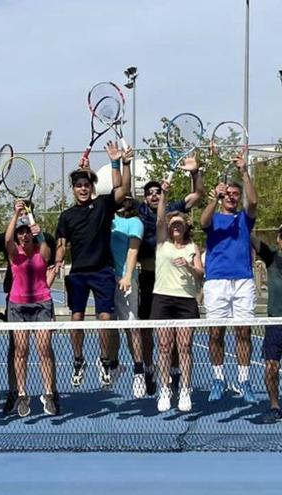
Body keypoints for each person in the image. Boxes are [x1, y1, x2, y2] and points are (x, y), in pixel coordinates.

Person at [55, 142, 131, 389]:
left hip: (102, 272)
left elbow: (122, 188)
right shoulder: (66, 216)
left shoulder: (103, 206)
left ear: (92, 188)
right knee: (76, 319)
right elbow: (61, 244)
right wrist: (56, 262)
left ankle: (105, 361)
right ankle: (79, 360)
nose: (83, 188)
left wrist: (118, 162)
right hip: (78, 274)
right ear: (73, 189)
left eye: (87, 185)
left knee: (105, 319)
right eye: (79, 185)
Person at [131, 157, 203, 395]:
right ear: (145, 197)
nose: (153, 195)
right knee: (148, 329)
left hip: (176, 283)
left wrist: (195, 173)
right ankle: (147, 370)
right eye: (149, 192)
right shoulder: (139, 212)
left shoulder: (174, 210)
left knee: (177, 335)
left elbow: (197, 195)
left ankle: (173, 372)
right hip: (150, 278)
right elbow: (118, 196)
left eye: (157, 192)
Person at [200, 155, 258, 403]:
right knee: (215, 333)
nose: (232, 196)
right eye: (229, 193)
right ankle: (218, 379)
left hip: (243, 281)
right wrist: (215, 198)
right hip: (216, 282)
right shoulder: (214, 217)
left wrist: (244, 172)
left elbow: (253, 201)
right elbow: (202, 221)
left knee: (243, 332)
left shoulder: (245, 218)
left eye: (236, 193)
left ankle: (244, 381)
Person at [4, 200, 58, 416]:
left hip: (41, 303)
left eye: (27, 233)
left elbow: (45, 244)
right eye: (21, 233)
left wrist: (32, 219)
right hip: (17, 305)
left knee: (44, 350)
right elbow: (7, 238)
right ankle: (23, 394)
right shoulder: (13, 253)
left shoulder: (41, 252)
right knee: (21, 351)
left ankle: (48, 393)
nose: (24, 236)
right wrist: (16, 214)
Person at [152, 181, 203, 412]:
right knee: (164, 346)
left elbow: (201, 273)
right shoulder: (162, 243)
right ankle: (164, 389)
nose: (175, 227)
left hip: (186, 299)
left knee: (185, 346)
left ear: (185, 227)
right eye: (172, 224)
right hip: (162, 298)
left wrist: (190, 266)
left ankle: (185, 390)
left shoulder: (193, 247)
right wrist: (163, 194)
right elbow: (160, 219)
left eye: (179, 224)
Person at [110, 193, 146, 398]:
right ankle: (113, 365)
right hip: (106, 279)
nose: (123, 202)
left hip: (125, 280)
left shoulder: (135, 222)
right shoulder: (109, 219)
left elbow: (133, 252)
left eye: (127, 200)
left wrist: (127, 276)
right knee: (108, 325)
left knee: (131, 326)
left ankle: (138, 370)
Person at [253, 226, 282, 423]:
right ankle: (274, 406)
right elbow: (251, 238)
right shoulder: (271, 257)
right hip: (275, 322)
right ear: (279, 239)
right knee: (271, 366)